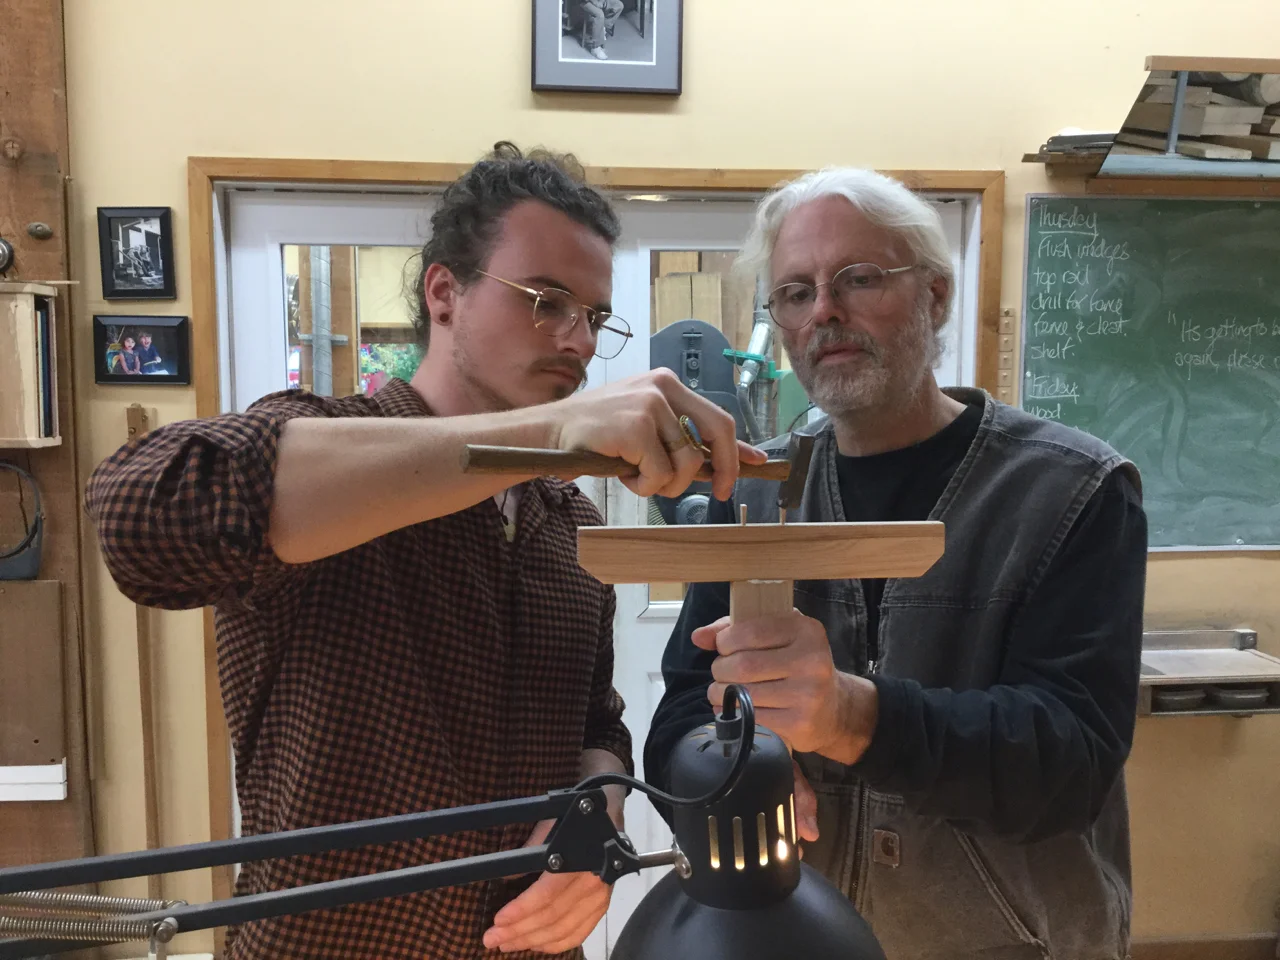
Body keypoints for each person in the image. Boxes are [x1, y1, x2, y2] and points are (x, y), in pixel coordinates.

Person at [86, 142, 763, 960]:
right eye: (546, 301)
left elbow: (596, 725)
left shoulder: (570, 520)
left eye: (593, 316)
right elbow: (139, 515)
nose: (578, 341)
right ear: (444, 292)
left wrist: (599, 818)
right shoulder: (333, 445)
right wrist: (548, 431)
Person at [645, 168, 1147, 960]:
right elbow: (681, 711)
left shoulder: (1070, 492)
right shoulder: (755, 494)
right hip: (804, 939)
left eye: (858, 278)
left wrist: (854, 718)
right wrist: (725, 777)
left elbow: (1071, 762)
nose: (824, 311)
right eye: (795, 293)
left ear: (936, 296)